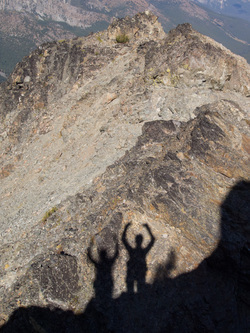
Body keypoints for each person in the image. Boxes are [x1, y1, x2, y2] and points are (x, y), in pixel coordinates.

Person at [122, 223, 155, 293]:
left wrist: (126, 228)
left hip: (132, 271)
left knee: (130, 290)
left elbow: (123, 240)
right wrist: (148, 228)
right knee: (139, 290)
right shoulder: (143, 252)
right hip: (140, 271)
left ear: (135, 241)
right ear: (141, 241)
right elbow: (152, 240)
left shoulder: (132, 251)